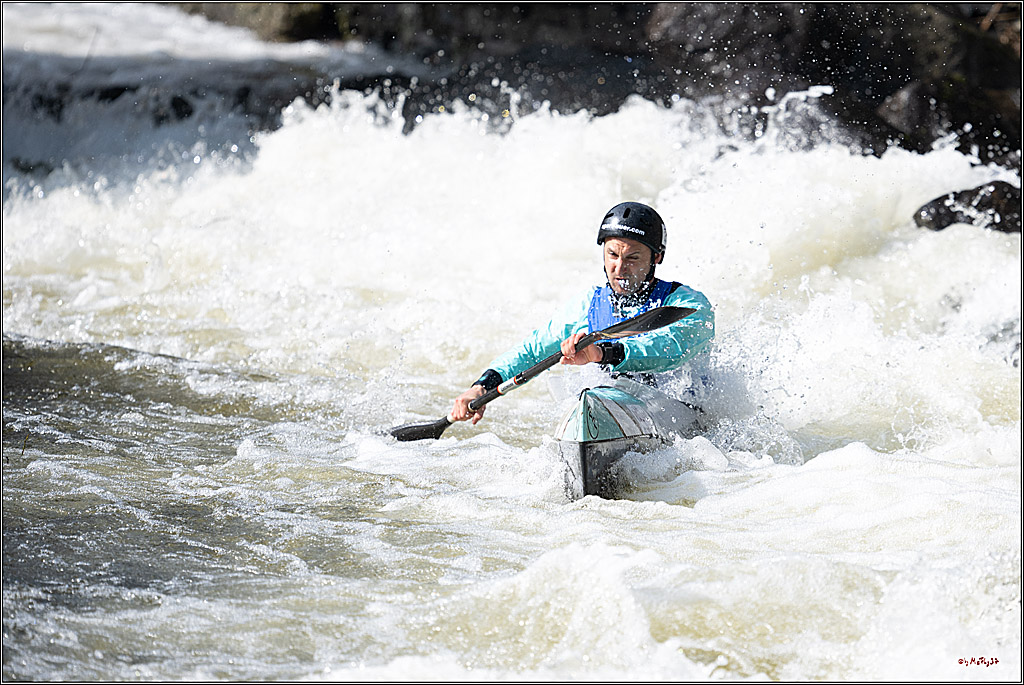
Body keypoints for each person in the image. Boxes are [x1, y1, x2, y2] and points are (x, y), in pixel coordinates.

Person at [451, 201, 715, 425]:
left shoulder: (686, 305)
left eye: (632, 258)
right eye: (612, 254)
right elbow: (532, 351)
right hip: (614, 408)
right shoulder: (587, 306)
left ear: (656, 257)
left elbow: (670, 348)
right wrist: (482, 386)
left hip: (680, 413)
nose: (619, 268)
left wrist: (603, 353)